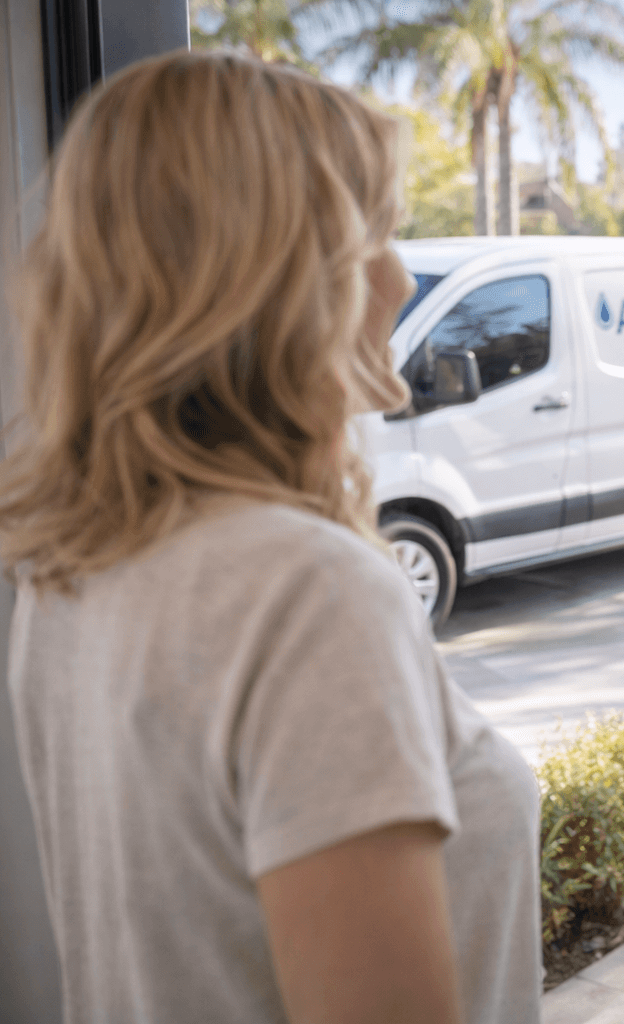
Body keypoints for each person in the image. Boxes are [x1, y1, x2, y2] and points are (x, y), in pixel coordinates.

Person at [0, 53, 541, 1024]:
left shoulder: (66, 561)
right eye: (376, 231)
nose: (399, 270)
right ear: (294, 276)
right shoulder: (308, 592)